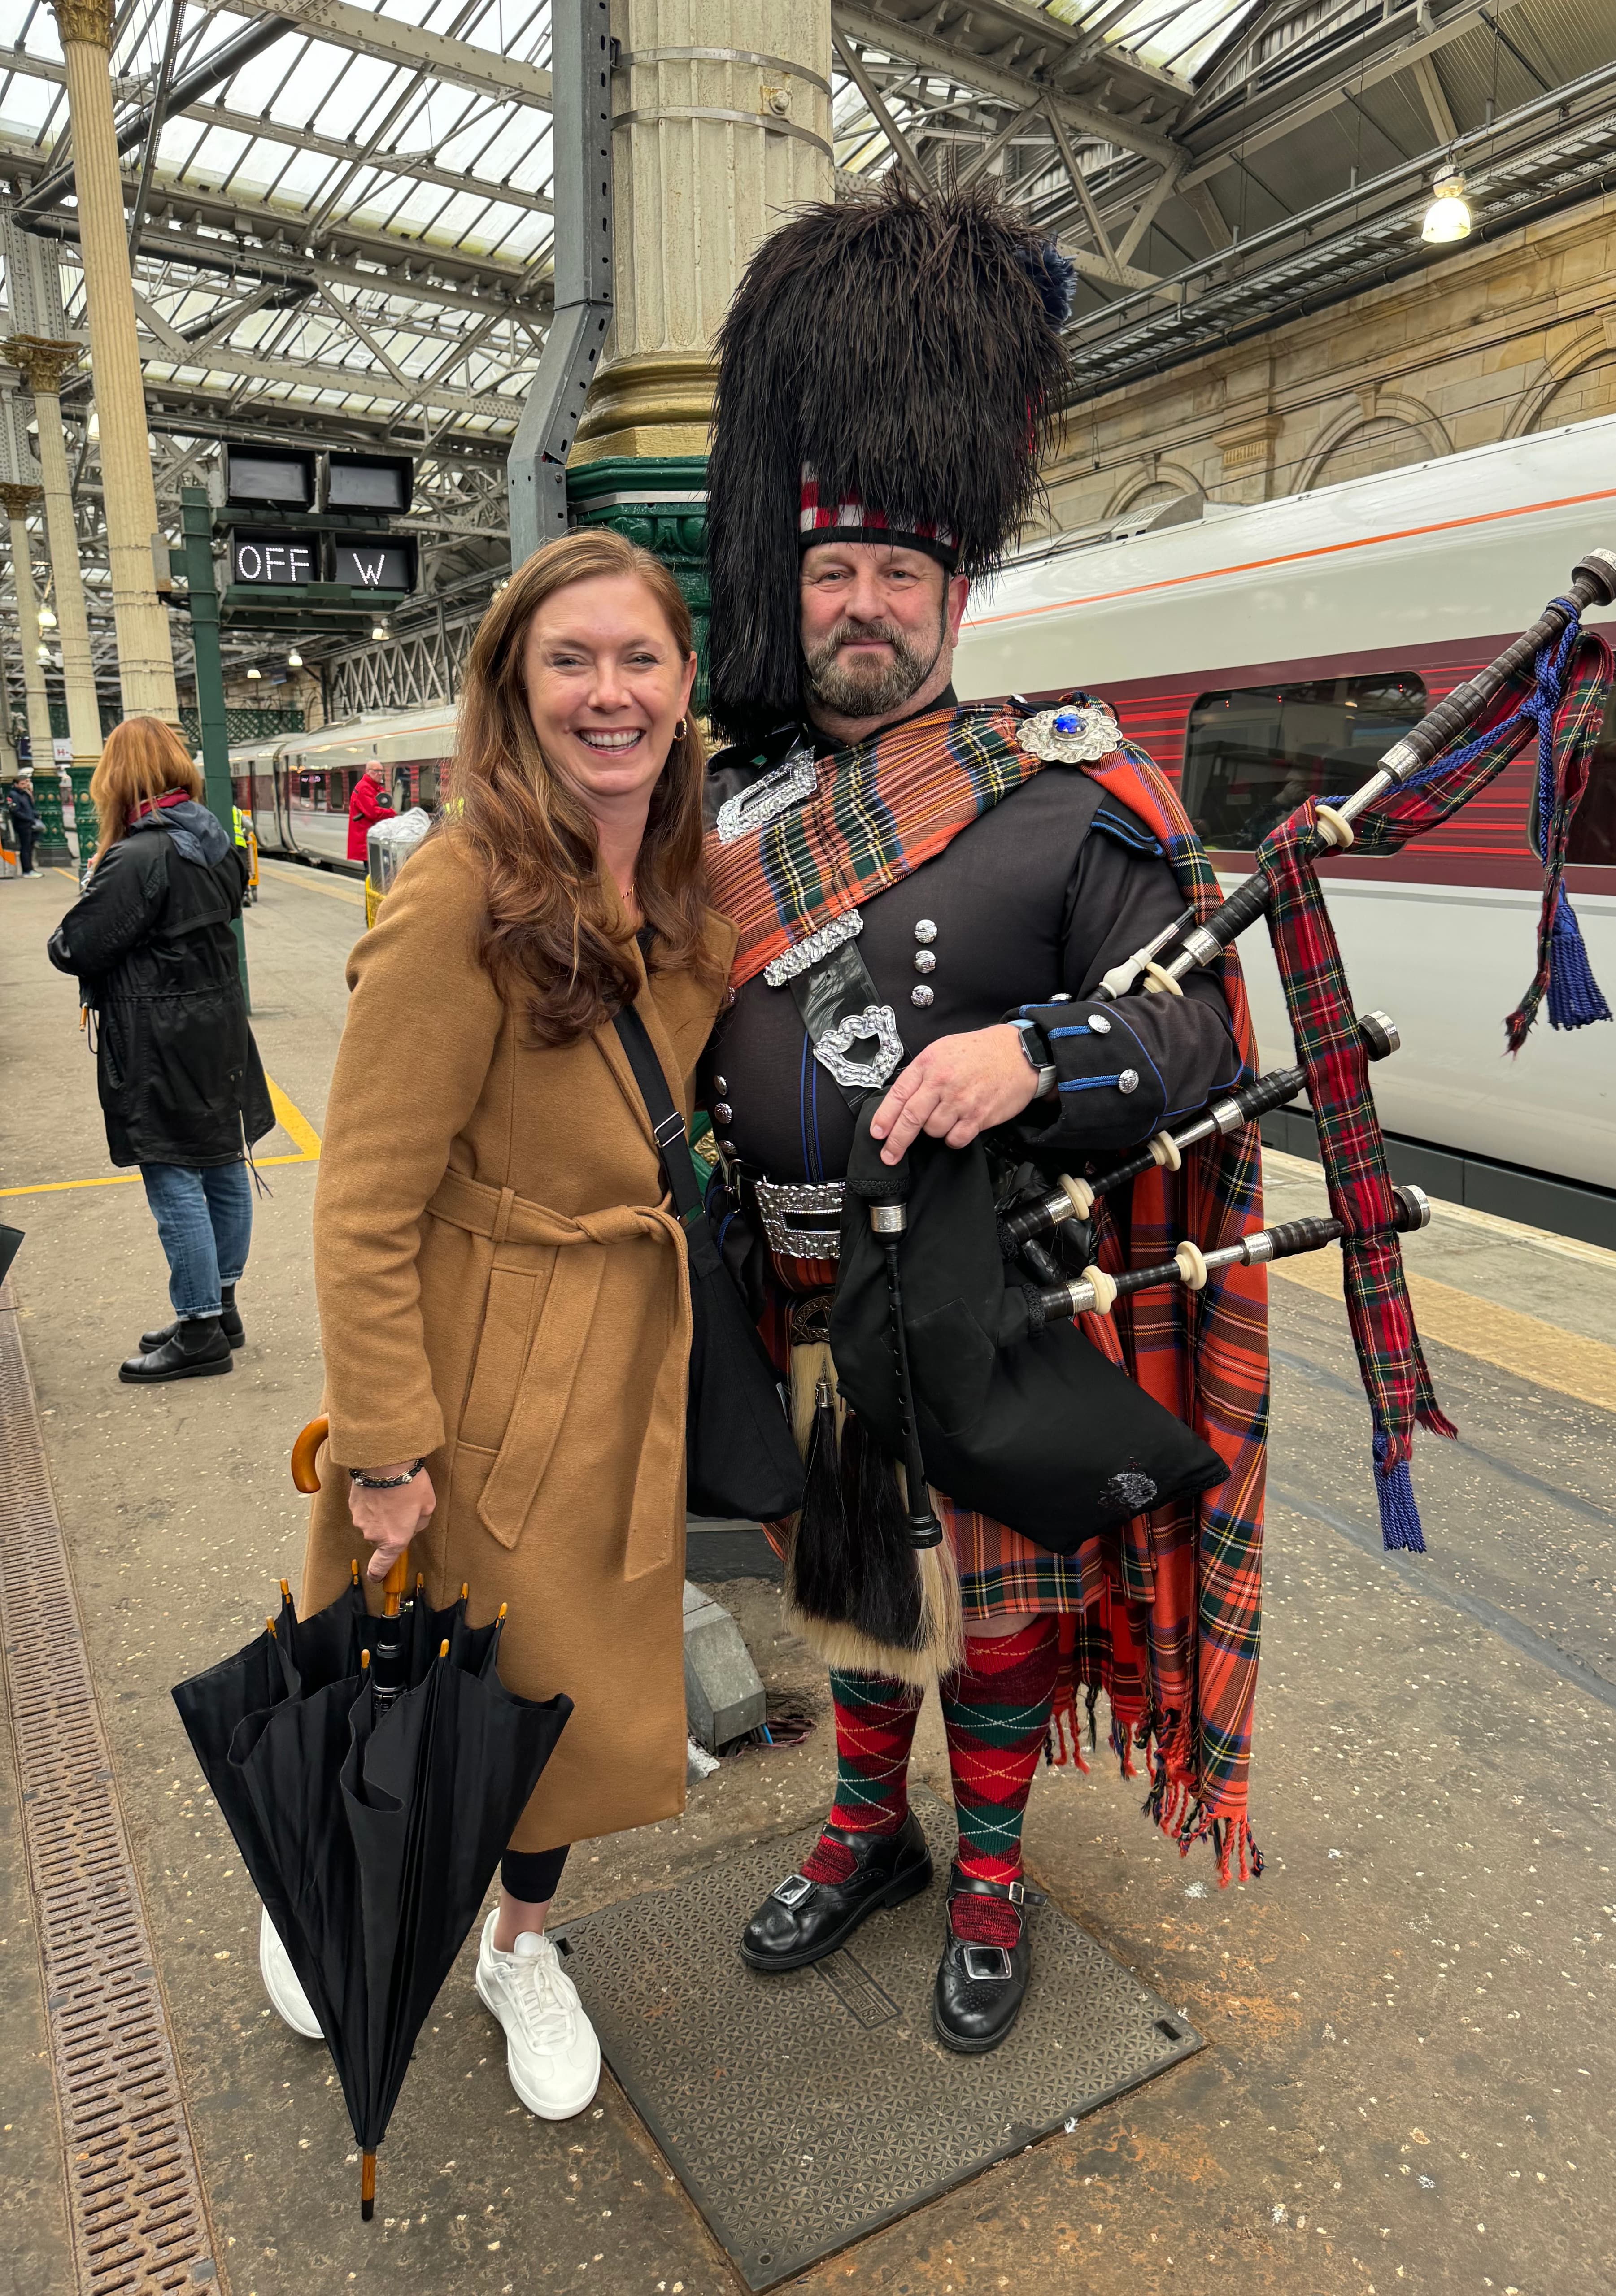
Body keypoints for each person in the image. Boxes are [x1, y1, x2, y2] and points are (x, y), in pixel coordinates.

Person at [699, 179, 1270, 2053]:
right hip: (797, 1292)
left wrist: (1039, 1055)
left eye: (900, 573)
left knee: (1005, 1613)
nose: (863, 606)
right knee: (856, 1595)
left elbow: (1196, 1035)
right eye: (834, 573)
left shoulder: (1064, 791)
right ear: (793, 591)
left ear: (956, 594)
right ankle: (870, 1829)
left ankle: (997, 1868)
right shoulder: (725, 815)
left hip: (982, 1291)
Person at [290, 527, 734, 2121]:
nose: (609, 692)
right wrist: (382, 1447)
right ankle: (336, 1876)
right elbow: (364, 1200)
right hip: (476, 1368)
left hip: (622, 1364)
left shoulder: (682, 890)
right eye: (571, 659)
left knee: (569, 1700)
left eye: (639, 658)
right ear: (514, 687)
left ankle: (516, 1943)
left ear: (682, 685)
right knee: (432, 1672)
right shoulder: (458, 888)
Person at [46, 720, 274, 1381]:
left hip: (160, 1034)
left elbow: (76, 946)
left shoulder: (139, 854)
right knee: (222, 1162)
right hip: (217, 1024)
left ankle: (199, 1329)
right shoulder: (214, 840)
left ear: (118, 778)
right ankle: (222, 1308)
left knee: (172, 1170)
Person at [346, 755, 394, 862]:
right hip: (367, 838)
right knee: (373, 870)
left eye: (381, 771)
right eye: (376, 771)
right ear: (367, 772)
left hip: (372, 837)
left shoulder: (374, 787)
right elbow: (373, 813)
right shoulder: (364, 788)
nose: (380, 774)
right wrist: (392, 813)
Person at [7, 772, 43, 877]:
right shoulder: (13, 795)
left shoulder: (25, 794)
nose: (25, 786)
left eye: (26, 784)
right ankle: (27, 870)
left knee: (30, 847)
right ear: (16, 784)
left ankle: (30, 868)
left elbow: (31, 807)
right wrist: (29, 818)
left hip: (30, 823)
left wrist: (35, 816)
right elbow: (15, 811)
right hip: (22, 825)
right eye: (22, 784)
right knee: (25, 848)